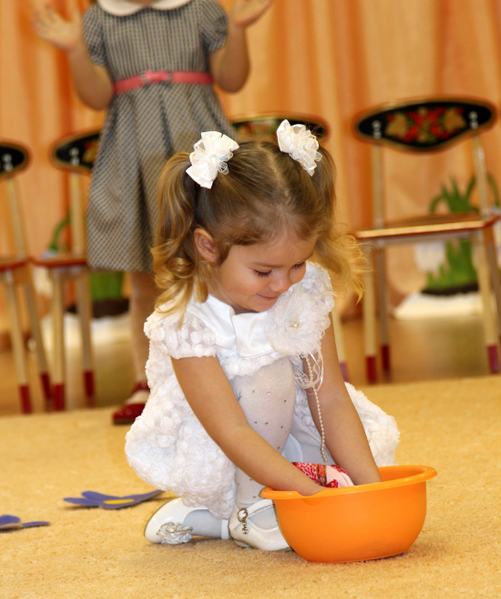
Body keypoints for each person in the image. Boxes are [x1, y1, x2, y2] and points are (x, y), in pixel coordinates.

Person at [125, 121, 400, 551]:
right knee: (268, 379)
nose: (283, 284)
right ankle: (246, 507)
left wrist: (371, 489)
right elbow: (231, 432)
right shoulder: (188, 322)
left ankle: (219, 516)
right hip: (220, 446)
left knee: (339, 456)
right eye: (263, 271)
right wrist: (311, 499)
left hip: (283, 433)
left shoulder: (301, 292)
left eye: (297, 264)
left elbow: (329, 397)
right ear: (208, 247)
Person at [32, 0, 274, 424]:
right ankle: (149, 382)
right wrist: (75, 50)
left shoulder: (200, 8)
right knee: (145, 275)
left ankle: (234, 367)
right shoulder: (101, 18)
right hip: (132, 156)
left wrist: (236, 30)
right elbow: (96, 95)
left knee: (218, 263)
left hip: (198, 146)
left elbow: (232, 78)